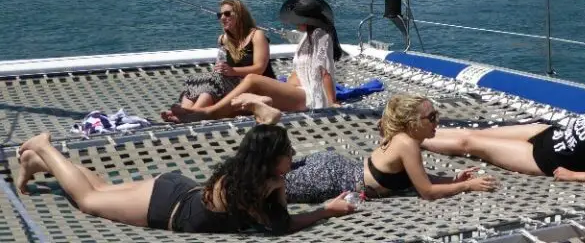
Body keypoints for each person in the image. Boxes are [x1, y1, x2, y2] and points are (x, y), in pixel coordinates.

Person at [15, 125, 356, 233]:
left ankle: (38, 163)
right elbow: (279, 227)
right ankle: (44, 148)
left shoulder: (255, 176)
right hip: (168, 206)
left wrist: (281, 188)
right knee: (90, 201)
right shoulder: (254, 186)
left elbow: (279, 218)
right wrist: (325, 210)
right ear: (271, 158)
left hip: (176, 190)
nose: (293, 156)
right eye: (288, 152)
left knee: (100, 186)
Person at [422, 66, 585, 181]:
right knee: (481, 132)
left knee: (470, 142)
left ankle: (413, 136)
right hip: (547, 134)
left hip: (542, 158)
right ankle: (416, 128)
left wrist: (574, 175)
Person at [283, 94, 498, 203]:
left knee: (270, 173)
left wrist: (453, 180)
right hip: (328, 178)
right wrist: (468, 186)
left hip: (334, 168)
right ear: (413, 122)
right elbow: (427, 192)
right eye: (432, 117)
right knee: (260, 187)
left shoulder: (404, 139)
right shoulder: (406, 143)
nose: (437, 122)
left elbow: (419, 178)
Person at [167, 0, 343, 124]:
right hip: (297, 91)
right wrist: (285, 88)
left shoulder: (322, 36)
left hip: (312, 96)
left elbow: (324, 71)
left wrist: (333, 102)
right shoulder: (307, 37)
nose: (294, 22)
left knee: (251, 80)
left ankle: (207, 112)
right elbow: (301, 71)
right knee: (241, 101)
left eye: (298, 18)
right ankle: (188, 114)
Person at [161, 0, 274, 122]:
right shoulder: (223, 39)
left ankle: (190, 114)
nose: (222, 18)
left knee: (213, 81)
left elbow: (260, 68)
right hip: (235, 84)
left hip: (258, 87)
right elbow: (221, 67)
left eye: (227, 13)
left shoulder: (256, 35)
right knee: (197, 81)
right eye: (220, 15)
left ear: (240, 14)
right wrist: (222, 70)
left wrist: (232, 71)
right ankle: (185, 111)